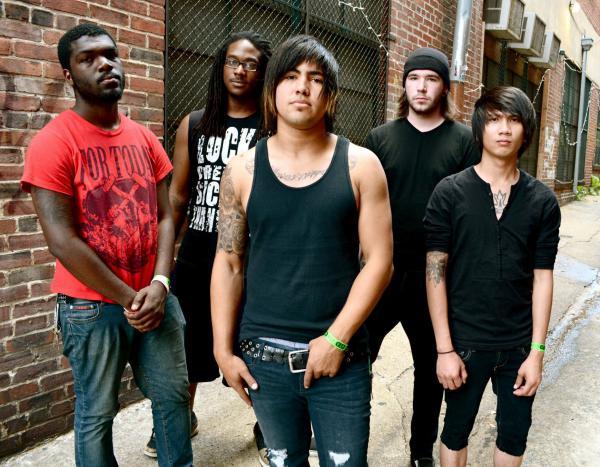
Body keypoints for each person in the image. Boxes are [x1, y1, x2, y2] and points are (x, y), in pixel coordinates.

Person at [211, 35, 393, 466]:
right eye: (291, 76)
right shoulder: (241, 170)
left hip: (341, 358)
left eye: (316, 78)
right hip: (263, 359)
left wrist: (336, 338)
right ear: (272, 89)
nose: (302, 87)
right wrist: (222, 350)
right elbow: (229, 262)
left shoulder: (360, 165)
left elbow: (379, 262)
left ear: (330, 95)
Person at [20, 24, 192, 467]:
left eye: (110, 55)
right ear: (68, 74)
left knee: (173, 398)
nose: (104, 64)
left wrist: (160, 283)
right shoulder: (53, 143)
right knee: (97, 414)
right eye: (88, 58)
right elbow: (62, 241)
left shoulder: (144, 138)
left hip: (155, 297)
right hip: (91, 307)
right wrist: (131, 298)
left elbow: (166, 214)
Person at [143, 31, 272, 462]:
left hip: (253, 254)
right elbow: (179, 196)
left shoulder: (271, 127)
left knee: (256, 344)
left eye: (251, 64)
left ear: (263, 72)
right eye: (233, 61)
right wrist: (164, 264)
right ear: (221, 66)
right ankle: (183, 417)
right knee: (185, 344)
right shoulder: (196, 123)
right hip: (199, 251)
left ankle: (269, 424)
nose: (241, 70)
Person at [424, 86, 560, 467]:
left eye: (514, 120)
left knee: (514, 437)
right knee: (455, 430)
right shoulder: (449, 193)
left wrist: (537, 352)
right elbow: (435, 273)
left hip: (518, 343)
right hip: (465, 341)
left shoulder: (542, 201)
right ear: (480, 127)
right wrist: (444, 350)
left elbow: (543, 278)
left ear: (526, 130)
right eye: (495, 119)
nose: (504, 128)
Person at [364, 47, 480, 467]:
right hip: (382, 271)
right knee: (357, 359)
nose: (421, 87)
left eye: (431, 79)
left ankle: (420, 453)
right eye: (414, 78)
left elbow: (470, 210)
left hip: (434, 276)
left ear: (444, 88)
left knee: (430, 369)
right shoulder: (380, 138)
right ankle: (350, 442)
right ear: (404, 84)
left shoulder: (463, 140)